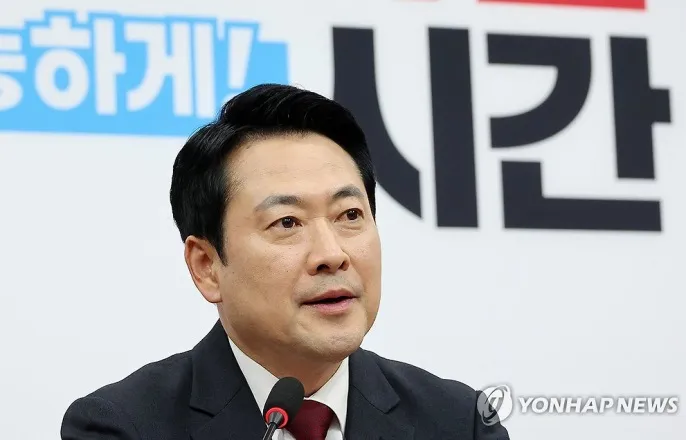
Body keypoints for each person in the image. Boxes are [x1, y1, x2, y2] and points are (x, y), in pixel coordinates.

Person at [61, 84, 510, 440]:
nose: (332, 255)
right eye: (287, 222)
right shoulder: (123, 427)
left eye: (349, 215)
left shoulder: (460, 423)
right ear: (207, 266)